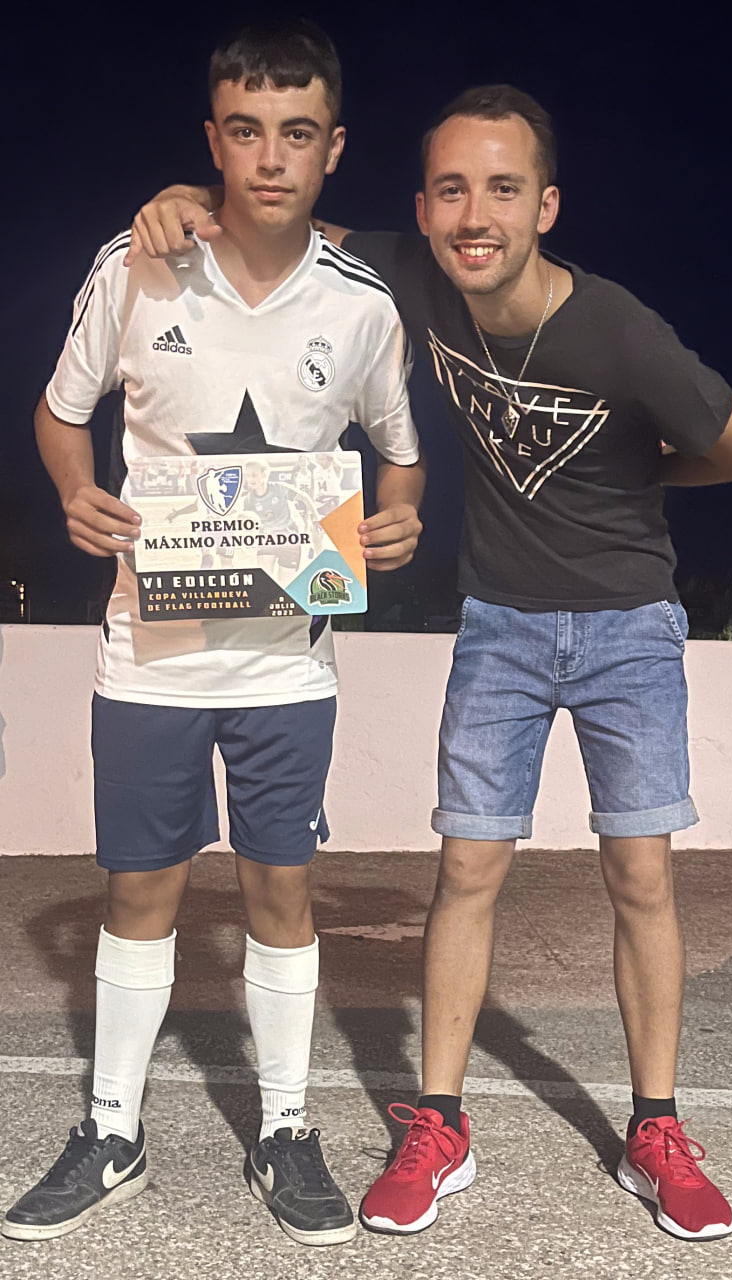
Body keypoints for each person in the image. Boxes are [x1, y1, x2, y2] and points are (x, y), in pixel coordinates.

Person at [123, 83, 732, 1243]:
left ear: (546, 205)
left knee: (640, 874)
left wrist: (644, 471)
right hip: (500, 625)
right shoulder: (417, 277)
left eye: (504, 189)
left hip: (627, 624)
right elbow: (282, 218)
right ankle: (439, 1123)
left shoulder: (618, 329)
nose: (476, 214)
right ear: (423, 209)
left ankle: (657, 1129)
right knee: (466, 867)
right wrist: (187, 200)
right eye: (452, 190)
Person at [1, 21, 424, 1248]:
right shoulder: (136, 267)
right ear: (213, 141)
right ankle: (112, 1130)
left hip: (290, 660)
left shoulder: (362, 307)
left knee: (280, 887)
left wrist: (396, 520)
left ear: (333, 147)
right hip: (149, 655)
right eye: (246, 131)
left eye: (297, 133)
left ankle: (285, 1127)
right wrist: (74, 490)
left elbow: (398, 451)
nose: (270, 158)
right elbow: (59, 411)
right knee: (140, 888)